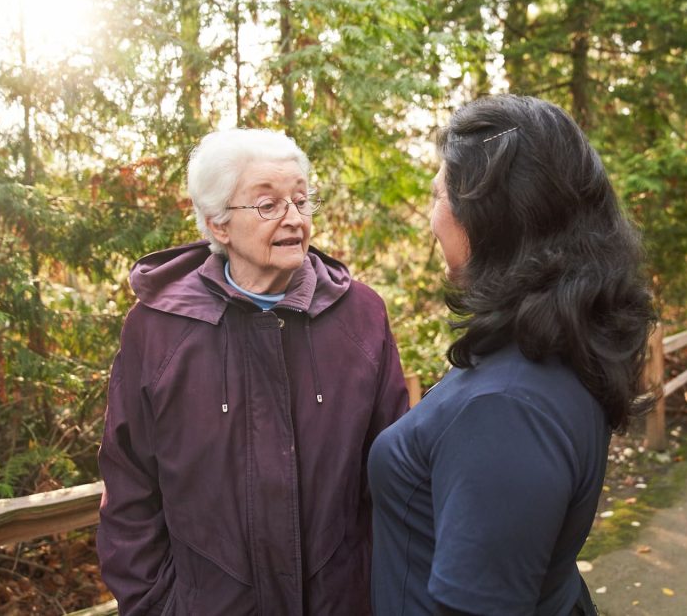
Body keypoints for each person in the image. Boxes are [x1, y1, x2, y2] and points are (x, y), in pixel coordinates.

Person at [97, 129, 409, 615]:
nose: (294, 219)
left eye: (302, 201)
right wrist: (158, 607)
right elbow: (130, 490)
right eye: (268, 205)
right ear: (218, 224)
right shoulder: (157, 328)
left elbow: (392, 480)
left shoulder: (361, 316)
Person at [368, 95, 654, 615]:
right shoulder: (550, 347)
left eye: (439, 195)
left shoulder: (506, 406)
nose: (433, 217)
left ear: (486, 218)